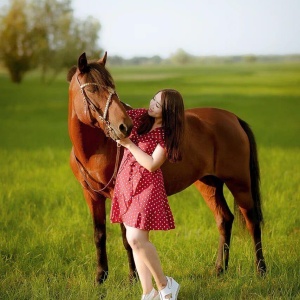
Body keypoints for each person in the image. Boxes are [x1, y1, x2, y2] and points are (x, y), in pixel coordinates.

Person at [110, 89, 185, 300]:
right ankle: (148, 292)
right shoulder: (139, 116)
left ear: (168, 112)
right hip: (126, 182)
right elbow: (117, 119)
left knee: (135, 237)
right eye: (153, 99)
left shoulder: (167, 135)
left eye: (158, 105)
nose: (152, 105)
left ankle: (165, 285)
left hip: (146, 186)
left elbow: (152, 164)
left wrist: (128, 144)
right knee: (134, 241)